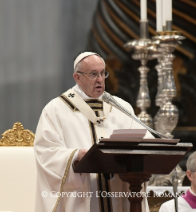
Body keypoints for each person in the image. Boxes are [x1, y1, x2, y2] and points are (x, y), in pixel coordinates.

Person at [34, 52, 153, 212]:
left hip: (118, 192)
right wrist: (76, 155)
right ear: (77, 77)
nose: (100, 79)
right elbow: (45, 152)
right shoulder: (56, 109)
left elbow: (145, 143)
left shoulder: (121, 107)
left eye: (103, 73)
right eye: (93, 74)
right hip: (81, 197)